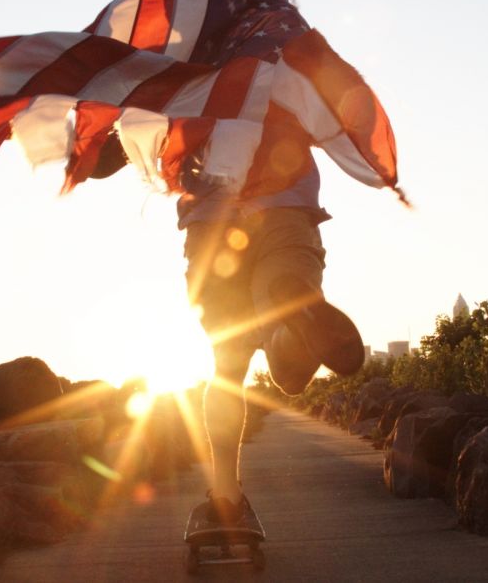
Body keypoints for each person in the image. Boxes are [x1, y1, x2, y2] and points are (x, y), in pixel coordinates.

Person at [93, 137, 365, 524]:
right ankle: (294, 318)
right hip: (284, 211)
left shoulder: (183, 84)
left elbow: (103, 161)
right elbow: (338, 122)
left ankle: (226, 496)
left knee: (227, 370)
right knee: (286, 363)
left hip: (213, 227)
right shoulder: (282, 77)